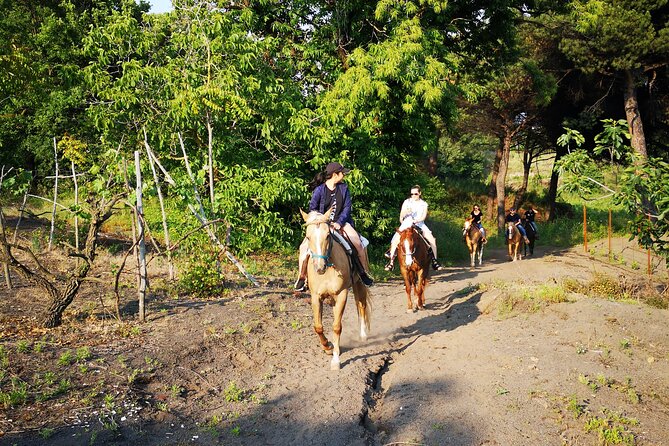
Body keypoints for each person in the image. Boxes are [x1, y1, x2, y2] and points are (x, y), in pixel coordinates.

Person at [294, 162, 373, 291]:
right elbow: (312, 208)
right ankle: (302, 278)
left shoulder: (344, 188)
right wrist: (321, 220)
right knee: (304, 247)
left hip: (341, 223)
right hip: (321, 224)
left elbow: (347, 208)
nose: (344, 175)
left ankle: (362, 273)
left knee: (358, 243)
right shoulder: (319, 190)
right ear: (335, 174)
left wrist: (339, 222)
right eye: (342, 173)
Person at [384, 185, 443, 271]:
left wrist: (416, 221)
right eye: (412, 194)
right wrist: (405, 213)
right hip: (406, 223)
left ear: (420, 193)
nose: (413, 196)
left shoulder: (423, 204)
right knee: (395, 239)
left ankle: (435, 261)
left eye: (415, 194)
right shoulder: (406, 202)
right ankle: (391, 262)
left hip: (419, 224)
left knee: (432, 239)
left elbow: (423, 217)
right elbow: (401, 217)